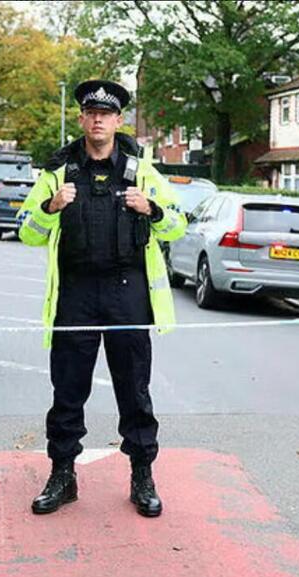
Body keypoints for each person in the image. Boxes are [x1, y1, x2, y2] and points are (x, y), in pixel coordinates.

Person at [17, 79, 187, 518]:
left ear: (117, 121)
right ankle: (62, 475)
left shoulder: (142, 172)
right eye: (91, 112)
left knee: (134, 389)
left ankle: (142, 475)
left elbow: (179, 226)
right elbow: (27, 233)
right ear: (81, 119)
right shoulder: (57, 173)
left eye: (106, 113)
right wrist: (49, 208)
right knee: (68, 389)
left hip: (126, 292)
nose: (98, 119)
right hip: (76, 293)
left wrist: (153, 209)